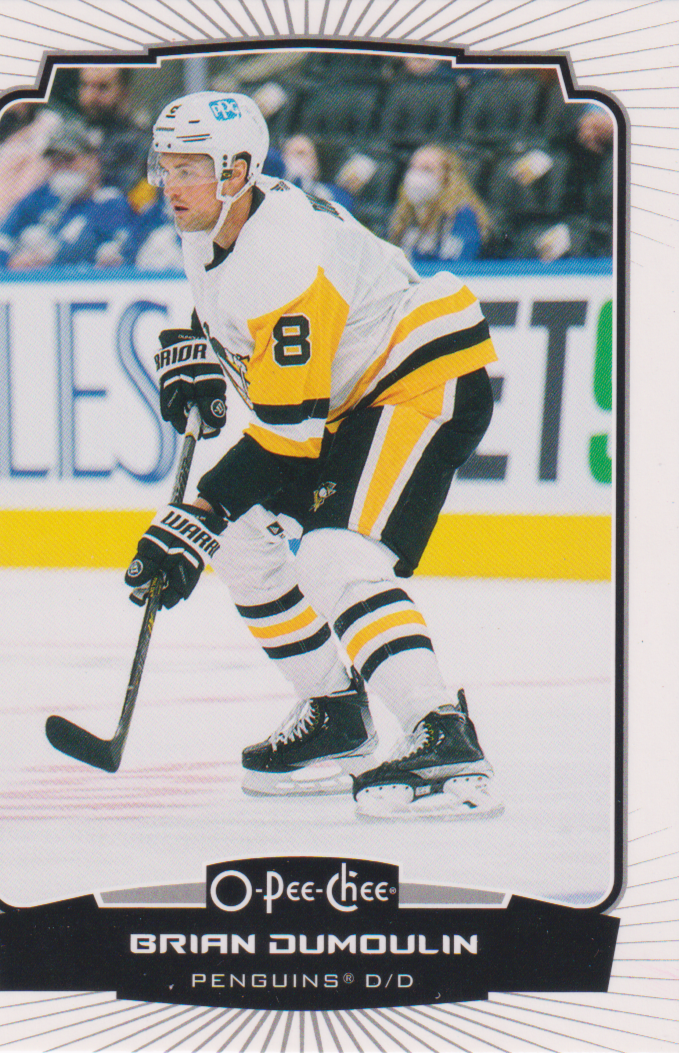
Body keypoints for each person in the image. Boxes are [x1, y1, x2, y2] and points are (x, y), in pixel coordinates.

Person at [124, 91, 501, 819]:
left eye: (188, 168)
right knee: (236, 535)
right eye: (164, 166)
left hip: (420, 380)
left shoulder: (283, 252)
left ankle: (441, 732)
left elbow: (286, 440)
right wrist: (201, 347)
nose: (170, 184)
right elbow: (235, 307)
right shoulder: (215, 216)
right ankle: (334, 711)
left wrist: (196, 511)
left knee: (334, 555)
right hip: (351, 398)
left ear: (236, 171)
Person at [0, 122, 135, 270]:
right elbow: (1, 238)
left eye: (69, 159)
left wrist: (45, 259)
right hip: (22, 279)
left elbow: (96, 252)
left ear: (93, 160)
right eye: (55, 162)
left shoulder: (110, 204)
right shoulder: (40, 198)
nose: (62, 167)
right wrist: (8, 262)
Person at [389, 144, 491, 264]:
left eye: (427, 169)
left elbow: (458, 264)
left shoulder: (462, 215)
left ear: (447, 177)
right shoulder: (406, 216)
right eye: (413, 168)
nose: (416, 176)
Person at [75, 66, 149, 195]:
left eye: (103, 87)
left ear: (124, 92)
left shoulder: (138, 142)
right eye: (85, 85)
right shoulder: (74, 130)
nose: (91, 96)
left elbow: (123, 192)